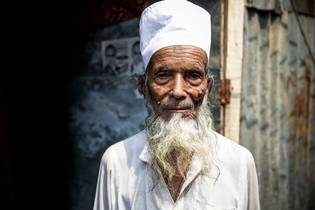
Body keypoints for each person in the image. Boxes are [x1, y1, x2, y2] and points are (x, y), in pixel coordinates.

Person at [93, 0, 260, 209]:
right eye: (163, 75)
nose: (179, 91)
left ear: (207, 87)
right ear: (143, 87)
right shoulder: (116, 163)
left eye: (193, 76)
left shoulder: (240, 163)